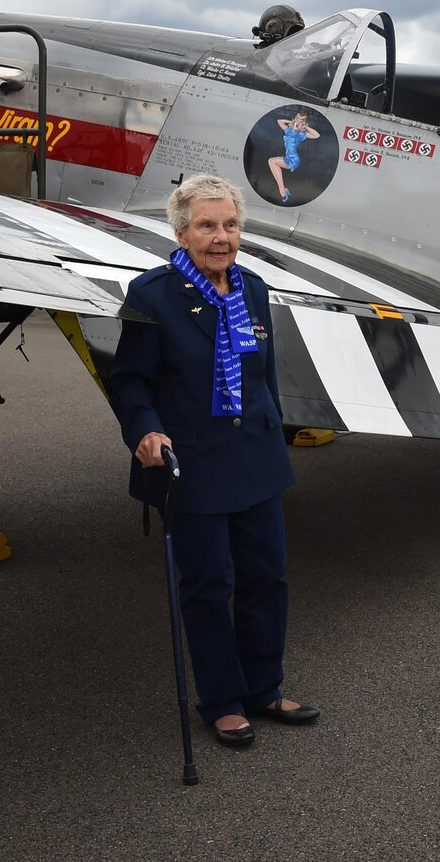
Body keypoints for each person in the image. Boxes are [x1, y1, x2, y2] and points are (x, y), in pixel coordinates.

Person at [106, 174, 318, 747]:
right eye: (207, 225)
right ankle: (222, 699)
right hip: (193, 462)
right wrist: (145, 430)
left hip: (255, 457)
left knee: (266, 577)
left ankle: (263, 687)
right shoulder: (152, 295)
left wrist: (277, 428)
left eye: (229, 225)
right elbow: (129, 381)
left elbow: (264, 376)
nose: (220, 237)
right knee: (207, 584)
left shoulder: (253, 288)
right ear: (181, 231)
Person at [266, 109, 320, 204]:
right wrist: (291, 122)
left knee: (272, 161)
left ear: (303, 124)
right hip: (288, 157)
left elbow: (317, 135)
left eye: (301, 122)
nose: (298, 123)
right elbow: (279, 121)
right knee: (272, 162)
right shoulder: (288, 131)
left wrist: (305, 127)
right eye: (298, 120)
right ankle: (283, 191)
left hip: (293, 160)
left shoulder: (302, 134)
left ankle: (282, 191)